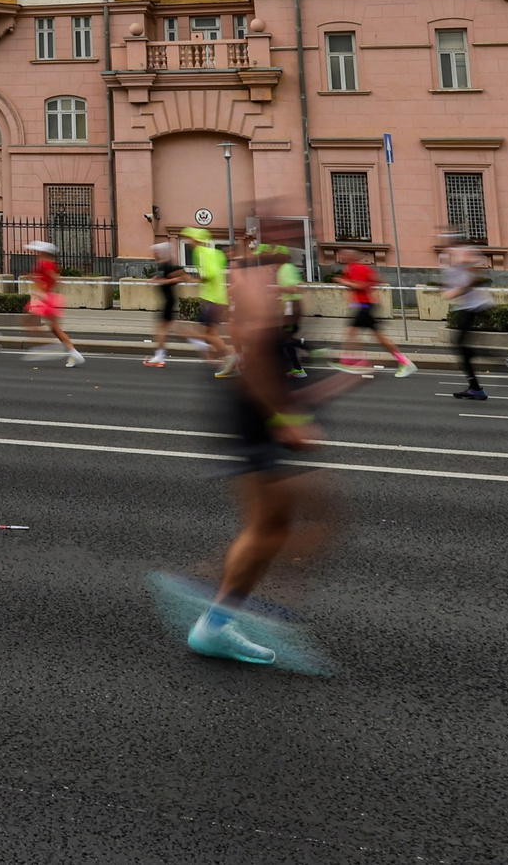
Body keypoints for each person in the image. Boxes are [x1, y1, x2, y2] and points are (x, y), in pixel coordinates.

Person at [182, 242, 352, 668]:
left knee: (289, 522)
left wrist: (337, 386)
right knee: (278, 526)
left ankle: (225, 602)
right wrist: (286, 417)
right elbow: (255, 363)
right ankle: (222, 613)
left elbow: (266, 366)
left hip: (259, 422)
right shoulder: (254, 300)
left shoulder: (261, 301)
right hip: (257, 424)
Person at [333, 249, 414, 377]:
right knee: (377, 338)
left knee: (351, 332)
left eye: (345, 255)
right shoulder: (351, 268)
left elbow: (361, 286)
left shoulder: (359, 268)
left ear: (352, 257)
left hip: (365, 306)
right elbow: (376, 279)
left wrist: (344, 282)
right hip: (364, 305)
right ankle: (404, 362)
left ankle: (353, 362)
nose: (343, 257)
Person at [20, 240, 86, 367]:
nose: (36, 253)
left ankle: (50, 345)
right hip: (49, 297)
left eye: (38, 251)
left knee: (28, 321)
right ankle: (74, 353)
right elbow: (49, 279)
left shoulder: (44, 263)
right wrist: (36, 280)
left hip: (45, 298)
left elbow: (54, 279)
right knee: (54, 328)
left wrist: (44, 291)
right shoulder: (49, 263)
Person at [440, 239, 492, 400]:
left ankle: (494, 358)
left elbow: (475, 277)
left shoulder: (465, 253)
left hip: (474, 306)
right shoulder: (452, 260)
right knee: (460, 346)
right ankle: (475, 387)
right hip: (466, 307)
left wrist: (457, 291)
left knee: (460, 345)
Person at [185, 228, 236, 377]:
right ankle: (222, 360)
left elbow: (211, 274)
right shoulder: (213, 253)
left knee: (211, 334)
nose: (189, 242)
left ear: (196, 240)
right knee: (208, 332)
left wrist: (195, 279)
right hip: (217, 298)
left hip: (212, 299)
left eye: (190, 239)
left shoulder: (200, 253)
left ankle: (229, 357)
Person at [144, 244, 194, 367]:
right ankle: (201, 343)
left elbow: (183, 277)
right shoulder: (162, 264)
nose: (153, 253)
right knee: (170, 329)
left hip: (169, 300)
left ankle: (160, 357)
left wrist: (163, 281)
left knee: (161, 329)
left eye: (155, 251)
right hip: (167, 300)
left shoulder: (167, 264)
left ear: (160, 252)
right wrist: (155, 279)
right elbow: (163, 276)